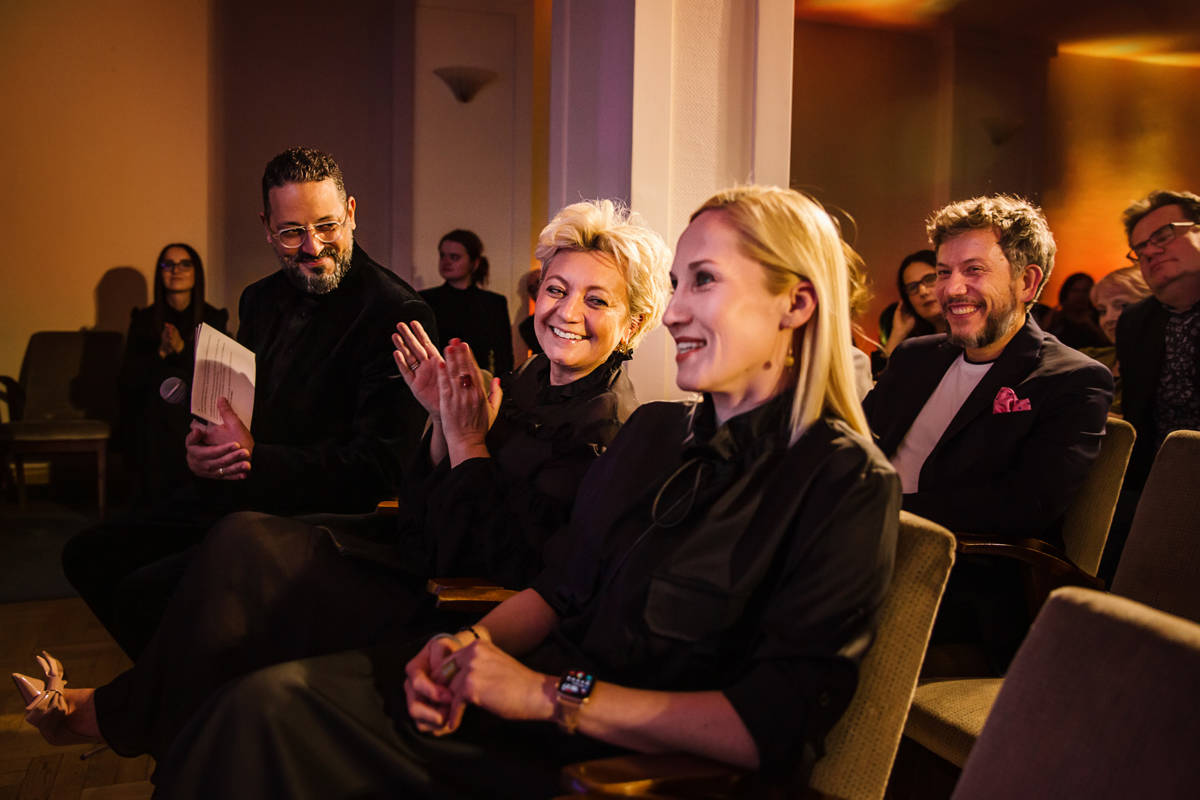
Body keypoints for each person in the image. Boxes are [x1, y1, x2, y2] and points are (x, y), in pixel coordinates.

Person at [136, 185, 900, 799]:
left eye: (702, 282)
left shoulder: (846, 482)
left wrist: (546, 695)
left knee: (269, 716)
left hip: (601, 753)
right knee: (256, 701)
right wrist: (468, 646)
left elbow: (771, 726)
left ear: (796, 304)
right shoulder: (659, 432)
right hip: (538, 696)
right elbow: (559, 588)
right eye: (674, 285)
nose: (673, 312)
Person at [11, 200, 673, 767]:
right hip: (421, 547)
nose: (567, 312)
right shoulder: (534, 382)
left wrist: (467, 437)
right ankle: (166, 718)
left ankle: (116, 715)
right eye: (557, 289)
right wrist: (442, 422)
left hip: (455, 602)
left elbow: (498, 559)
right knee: (226, 547)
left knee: (245, 547)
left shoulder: (605, 427)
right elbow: (437, 500)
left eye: (597, 299)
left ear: (635, 325)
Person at [60, 147, 435, 658]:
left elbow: (379, 470)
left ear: (351, 212)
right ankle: (189, 701)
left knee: (145, 592)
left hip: (322, 519)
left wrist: (255, 457)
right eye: (291, 232)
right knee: (88, 554)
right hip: (244, 493)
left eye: (326, 226)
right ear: (266, 227)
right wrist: (206, 447)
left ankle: (189, 708)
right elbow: (239, 410)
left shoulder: (397, 312)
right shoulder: (259, 298)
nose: (312, 247)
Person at [864, 194, 1113, 669]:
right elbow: (856, 446)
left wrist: (880, 513)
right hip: (860, 549)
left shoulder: (1073, 380)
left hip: (961, 578)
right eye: (943, 272)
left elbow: (1025, 507)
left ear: (1027, 281)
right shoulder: (916, 357)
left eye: (973, 270)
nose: (952, 289)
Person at [1099, 189, 1200, 582]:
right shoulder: (1136, 322)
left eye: (1163, 236)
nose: (1150, 252)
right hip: (1157, 483)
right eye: (1140, 248)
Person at [117, 243, 228, 504]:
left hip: (195, 410)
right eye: (168, 264)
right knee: (152, 413)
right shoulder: (143, 320)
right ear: (160, 273)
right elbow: (128, 378)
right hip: (152, 414)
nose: (176, 270)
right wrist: (162, 354)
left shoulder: (213, 318)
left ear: (195, 272)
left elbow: (217, 375)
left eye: (184, 264)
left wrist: (182, 350)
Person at [421, 230, 515, 377]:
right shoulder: (425, 299)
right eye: (442, 256)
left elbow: (503, 358)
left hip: (478, 384)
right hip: (434, 381)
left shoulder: (493, 303)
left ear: (474, 263)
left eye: (454, 257)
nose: (446, 262)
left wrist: (501, 391)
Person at [1078, 266, 1152, 416]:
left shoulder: (1170, 367)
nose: (1109, 319)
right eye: (1102, 311)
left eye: (1122, 306)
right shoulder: (1087, 358)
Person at [872, 250, 947, 376]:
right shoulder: (915, 349)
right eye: (912, 287)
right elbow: (881, 385)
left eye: (929, 279)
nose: (923, 291)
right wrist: (898, 334)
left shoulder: (970, 337)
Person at [1043, 272, 1108, 350]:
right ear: (1066, 292)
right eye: (1075, 290)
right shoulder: (1055, 316)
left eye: (1085, 291)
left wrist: (1091, 324)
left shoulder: (1100, 315)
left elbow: (1108, 342)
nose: (1080, 295)